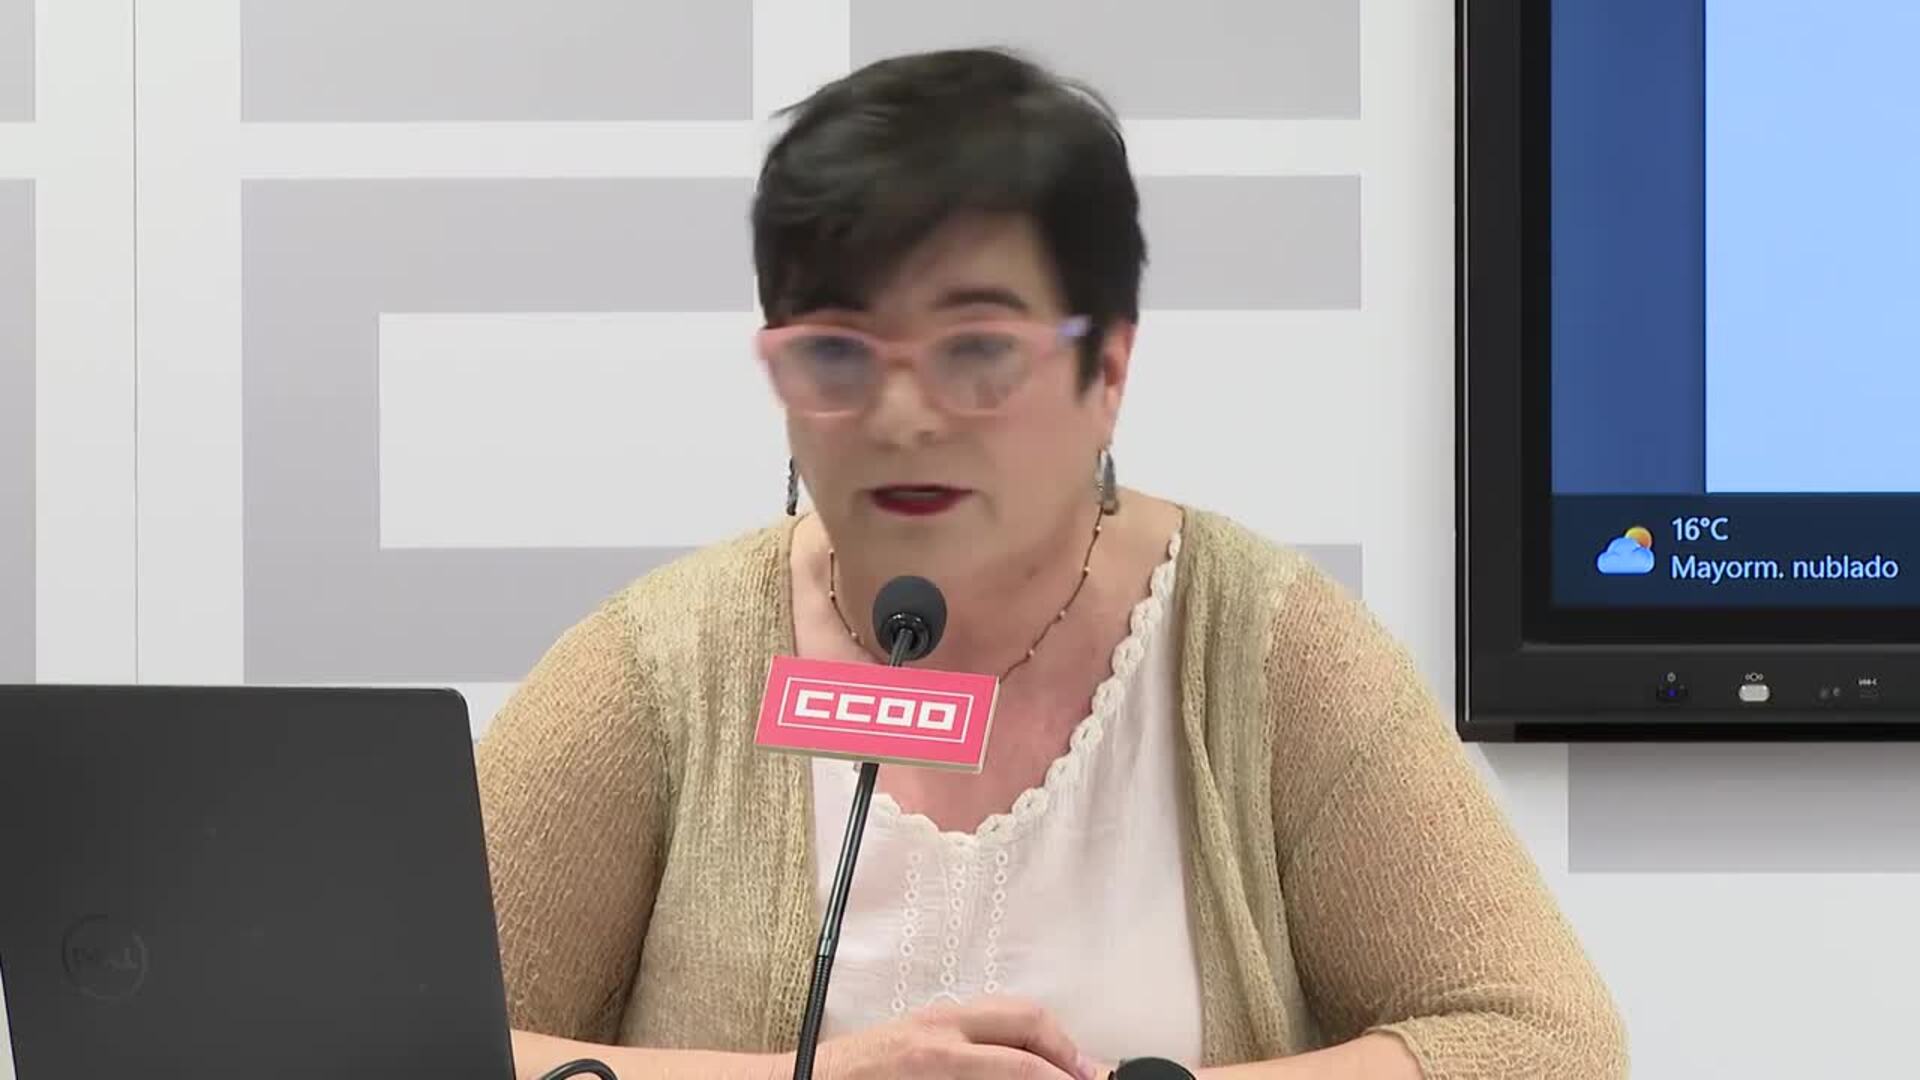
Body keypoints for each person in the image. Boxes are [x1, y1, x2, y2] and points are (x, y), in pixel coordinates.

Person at [475, 48, 1627, 1080]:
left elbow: (1545, 1044)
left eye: (978, 348)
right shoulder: (661, 672)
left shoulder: (1262, 651)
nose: (904, 415)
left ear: (1108, 369)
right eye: (837, 352)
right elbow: (402, 1043)